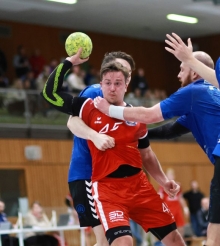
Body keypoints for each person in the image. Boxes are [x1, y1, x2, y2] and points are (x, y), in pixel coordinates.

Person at [41, 49, 186, 246]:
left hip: (139, 186)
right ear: (100, 83)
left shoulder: (135, 115)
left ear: (127, 84)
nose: (112, 87)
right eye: (108, 82)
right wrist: (70, 62)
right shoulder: (89, 102)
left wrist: (163, 180)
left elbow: (147, 153)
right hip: (104, 185)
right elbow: (53, 98)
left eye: (119, 81)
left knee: (175, 239)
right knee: (117, 242)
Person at [94, 36, 220, 246]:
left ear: (195, 72)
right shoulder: (211, 96)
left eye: (182, 69)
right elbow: (171, 130)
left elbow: (150, 115)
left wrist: (111, 110)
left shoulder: (193, 91)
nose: (178, 74)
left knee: (214, 233)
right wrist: (138, 134)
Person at [59, 51, 136, 246]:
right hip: (87, 175)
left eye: (126, 71)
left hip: (109, 180)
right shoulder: (95, 92)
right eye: (118, 67)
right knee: (107, 240)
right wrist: (95, 136)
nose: (121, 72)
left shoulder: (126, 106)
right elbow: (72, 122)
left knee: (113, 241)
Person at [158, 168, 188, 238]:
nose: (170, 176)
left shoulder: (178, 185)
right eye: (169, 175)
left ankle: (181, 242)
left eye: (171, 175)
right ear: (166, 176)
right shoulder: (163, 186)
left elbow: (181, 198)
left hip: (177, 208)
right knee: (169, 228)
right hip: (168, 208)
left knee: (180, 226)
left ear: (174, 176)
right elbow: (160, 197)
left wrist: (185, 208)